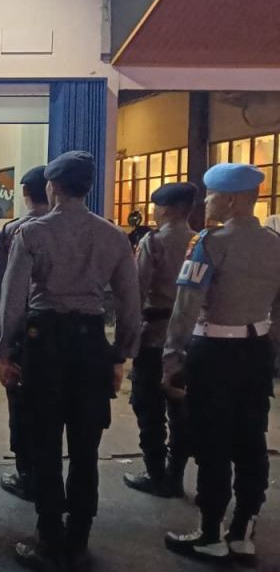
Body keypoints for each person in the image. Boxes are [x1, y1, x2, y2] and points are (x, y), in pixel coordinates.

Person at [0, 151, 141, 570]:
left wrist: (6, 351)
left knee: (44, 443)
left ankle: (48, 536)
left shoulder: (33, 232)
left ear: (52, 187)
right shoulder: (113, 235)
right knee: (85, 447)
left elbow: (12, 300)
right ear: (88, 187)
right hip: (91, 343)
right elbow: (130, 303)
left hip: (44, 343)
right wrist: (120, 355)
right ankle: (79, 538)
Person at [162, 163, 280, 566]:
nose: (207, 202)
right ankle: (243, 531)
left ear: (230, 200)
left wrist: (172, 357)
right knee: (251, 441)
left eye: (212, 195)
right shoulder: (274, 243)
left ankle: (210, 532)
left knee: (212, 442)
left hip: (212, 352)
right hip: (257, 351)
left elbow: (186, 307)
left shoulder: (209, 243)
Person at [122, 182, 197, 499]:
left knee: (149, 408)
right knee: (181, 408)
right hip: (191, 339)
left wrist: (126, 341)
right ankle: (176, 474)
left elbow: (136, 291)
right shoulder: (200, 241)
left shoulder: (153, 242)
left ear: (164, 209)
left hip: (155, 336)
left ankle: (156, 473)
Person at [0, 164, 49, 502]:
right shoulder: (92, 229)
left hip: (24, 332)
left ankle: (27, 473)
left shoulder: (14, 231)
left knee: (21, 402)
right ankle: (52, 474)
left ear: (24, 193)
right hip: (73, 333)